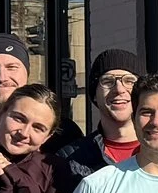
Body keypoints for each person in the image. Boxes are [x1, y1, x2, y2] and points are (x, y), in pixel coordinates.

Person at [56, 49, 146, 183]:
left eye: (129, 81)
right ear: (95, 95)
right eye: (108, 81)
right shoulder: (68, 159)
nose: (119, 89)